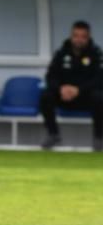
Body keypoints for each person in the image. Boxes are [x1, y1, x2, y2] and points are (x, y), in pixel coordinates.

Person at [40, 21, 103, 151]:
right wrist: (60, 88)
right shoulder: (61, 53)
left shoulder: (96, 54)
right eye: (76, 36)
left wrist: (78, 90)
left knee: (99, 97)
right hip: (64, 96)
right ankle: (53, 134)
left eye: (83, 36)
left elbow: (99, 78)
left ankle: (99, 138)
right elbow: (51, 75)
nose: (79, 39)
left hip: (85, 97)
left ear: (88, 37)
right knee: (46, 95)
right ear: (71, 36)